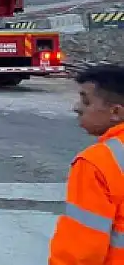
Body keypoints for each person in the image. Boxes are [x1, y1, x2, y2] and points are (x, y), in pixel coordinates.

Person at [49, 64, 124, 264]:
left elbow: (81, 252)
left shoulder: (98, 162)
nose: (77, 108)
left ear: (115, 112)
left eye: (86, 101)